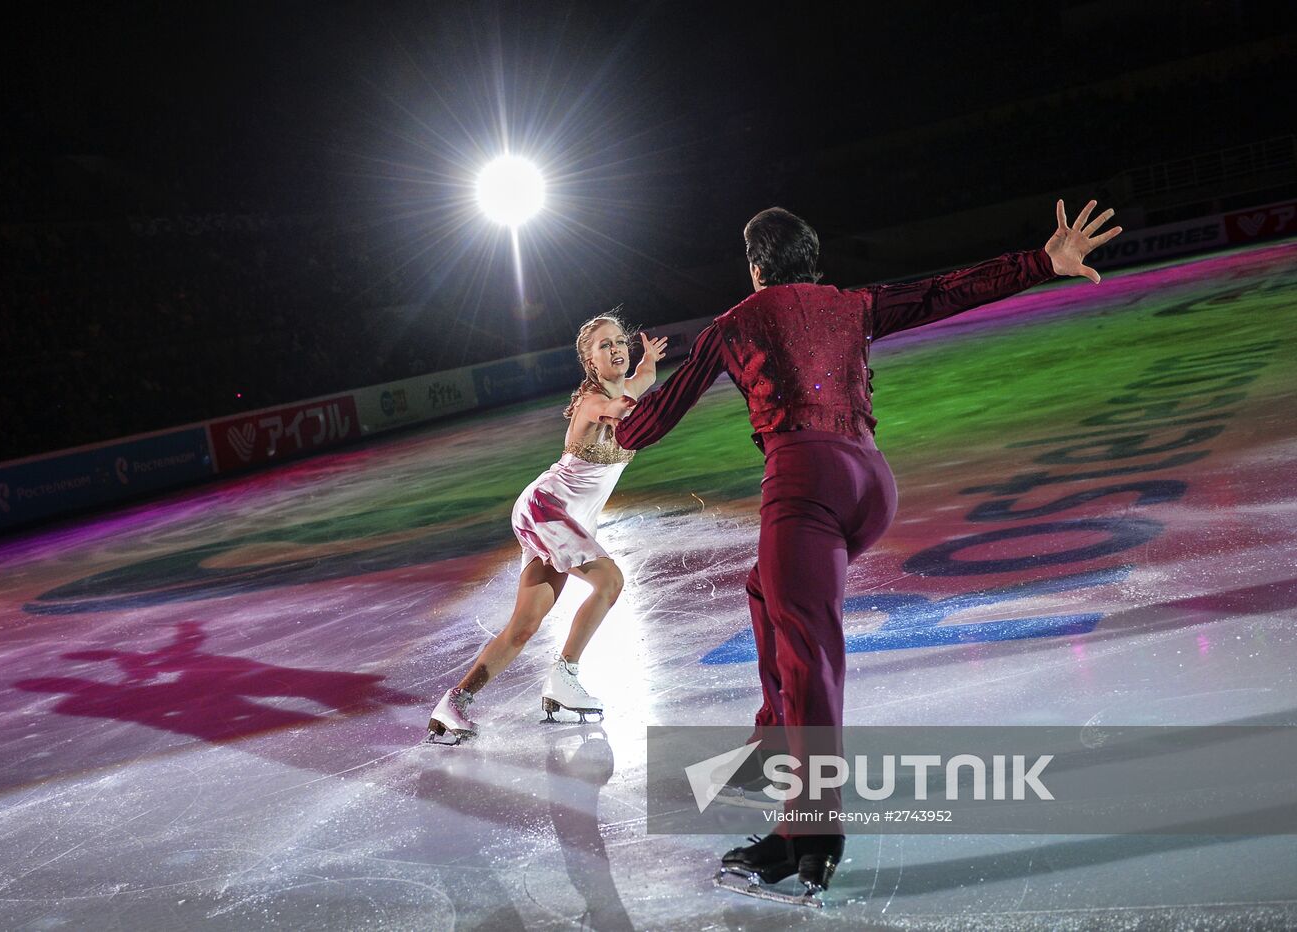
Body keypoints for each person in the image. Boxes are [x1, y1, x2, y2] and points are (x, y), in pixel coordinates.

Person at [608, 200, 1121, 905]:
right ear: (812, 262)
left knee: (809, 657)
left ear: (756, 268)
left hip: (806, 487)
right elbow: (942, 291)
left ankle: (809, 837)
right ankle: (770, 744)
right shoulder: (852, 304)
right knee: (766, 592)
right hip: (870, 484)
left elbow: (647, 428)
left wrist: (621, 407)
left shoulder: (734, 323)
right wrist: (1040, 262)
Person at [427, 313, 669, 743]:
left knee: (525, 624)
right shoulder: (594, 401)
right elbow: (615, 410)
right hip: (547, 509)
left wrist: (648, 359)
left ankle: (453, 704)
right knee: (610, 581)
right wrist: (631, 407)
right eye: (604, 345)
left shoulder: (628, 384)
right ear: (590, 362)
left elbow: (645, 376)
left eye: (620, 341)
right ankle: (565, 677)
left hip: (560, 518)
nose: (616, 348)